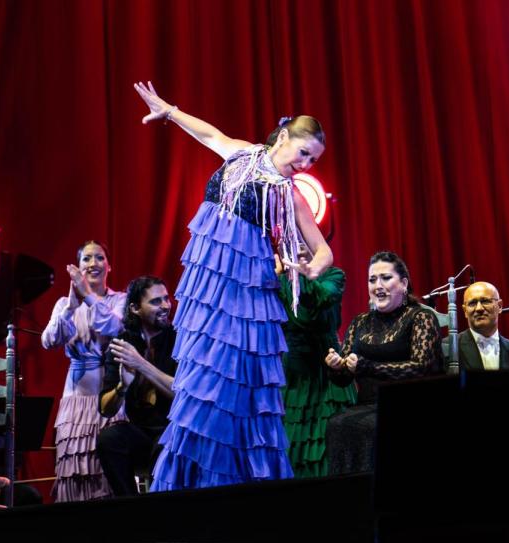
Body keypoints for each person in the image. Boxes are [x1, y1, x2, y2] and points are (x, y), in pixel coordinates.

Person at [134, 82, 333, 490]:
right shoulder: (242, 154)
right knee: (204, 371)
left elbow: (323, 250)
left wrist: (312, 268)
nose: (307, 164)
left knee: (237, 376)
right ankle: (191, 475)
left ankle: (236, 477)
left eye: (313, 159)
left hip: (245, 289)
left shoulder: (289, 195)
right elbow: (210, 134)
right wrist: (168, 110)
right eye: (303, 153)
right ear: (282, 138)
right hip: (211, 278)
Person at [324, 251, 443, 475]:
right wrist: (336, 366)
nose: (378, 285)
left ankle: (378, 501)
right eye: (372, 279)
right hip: (367, 405)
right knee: (336, 424)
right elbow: (343, 380)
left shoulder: (421, 318)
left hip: (412, 407)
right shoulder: (360, 322)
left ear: (404, 283)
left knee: (371, 428)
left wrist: (366, 366)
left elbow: (420, 368)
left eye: (386, 278)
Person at [42, 240, 126, 501]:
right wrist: (71, 305)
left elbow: (114, 328)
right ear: (77, 268)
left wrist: (88, 296)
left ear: (109, 265)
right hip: (75, 401)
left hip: (108, 395)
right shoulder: (64, 304)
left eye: (99, 258)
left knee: (105, 469)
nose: (93, 264)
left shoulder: (119, 300)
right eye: (87, 259)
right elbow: (49, 340)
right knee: (73, 470)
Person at [275, 246, 356, 478]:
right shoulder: (277, 279)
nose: (299, 245)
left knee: (331, 446)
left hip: (328, 373)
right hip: (293, 376)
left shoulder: (334, 276)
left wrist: (302, 275)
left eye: (304, 239)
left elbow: (316, 301)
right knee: (292, 449)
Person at [96, 276, 177, 496]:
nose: (165, 306)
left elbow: (183, 392)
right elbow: (105, 408)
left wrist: (140, 364)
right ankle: (132, 510)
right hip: (142, 432)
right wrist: (122, 386)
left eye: (166, 299)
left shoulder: (179, 339)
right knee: (109, 439)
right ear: (135, 308)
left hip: (175, 430)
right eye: (155, 301)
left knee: (166, 446)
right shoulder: (123, 344)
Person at [458, 281, 509, 371]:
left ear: (499, 306)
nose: (479, 308)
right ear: (465, 311)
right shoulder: (448, 348)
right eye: (472, 303)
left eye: (485, 301)